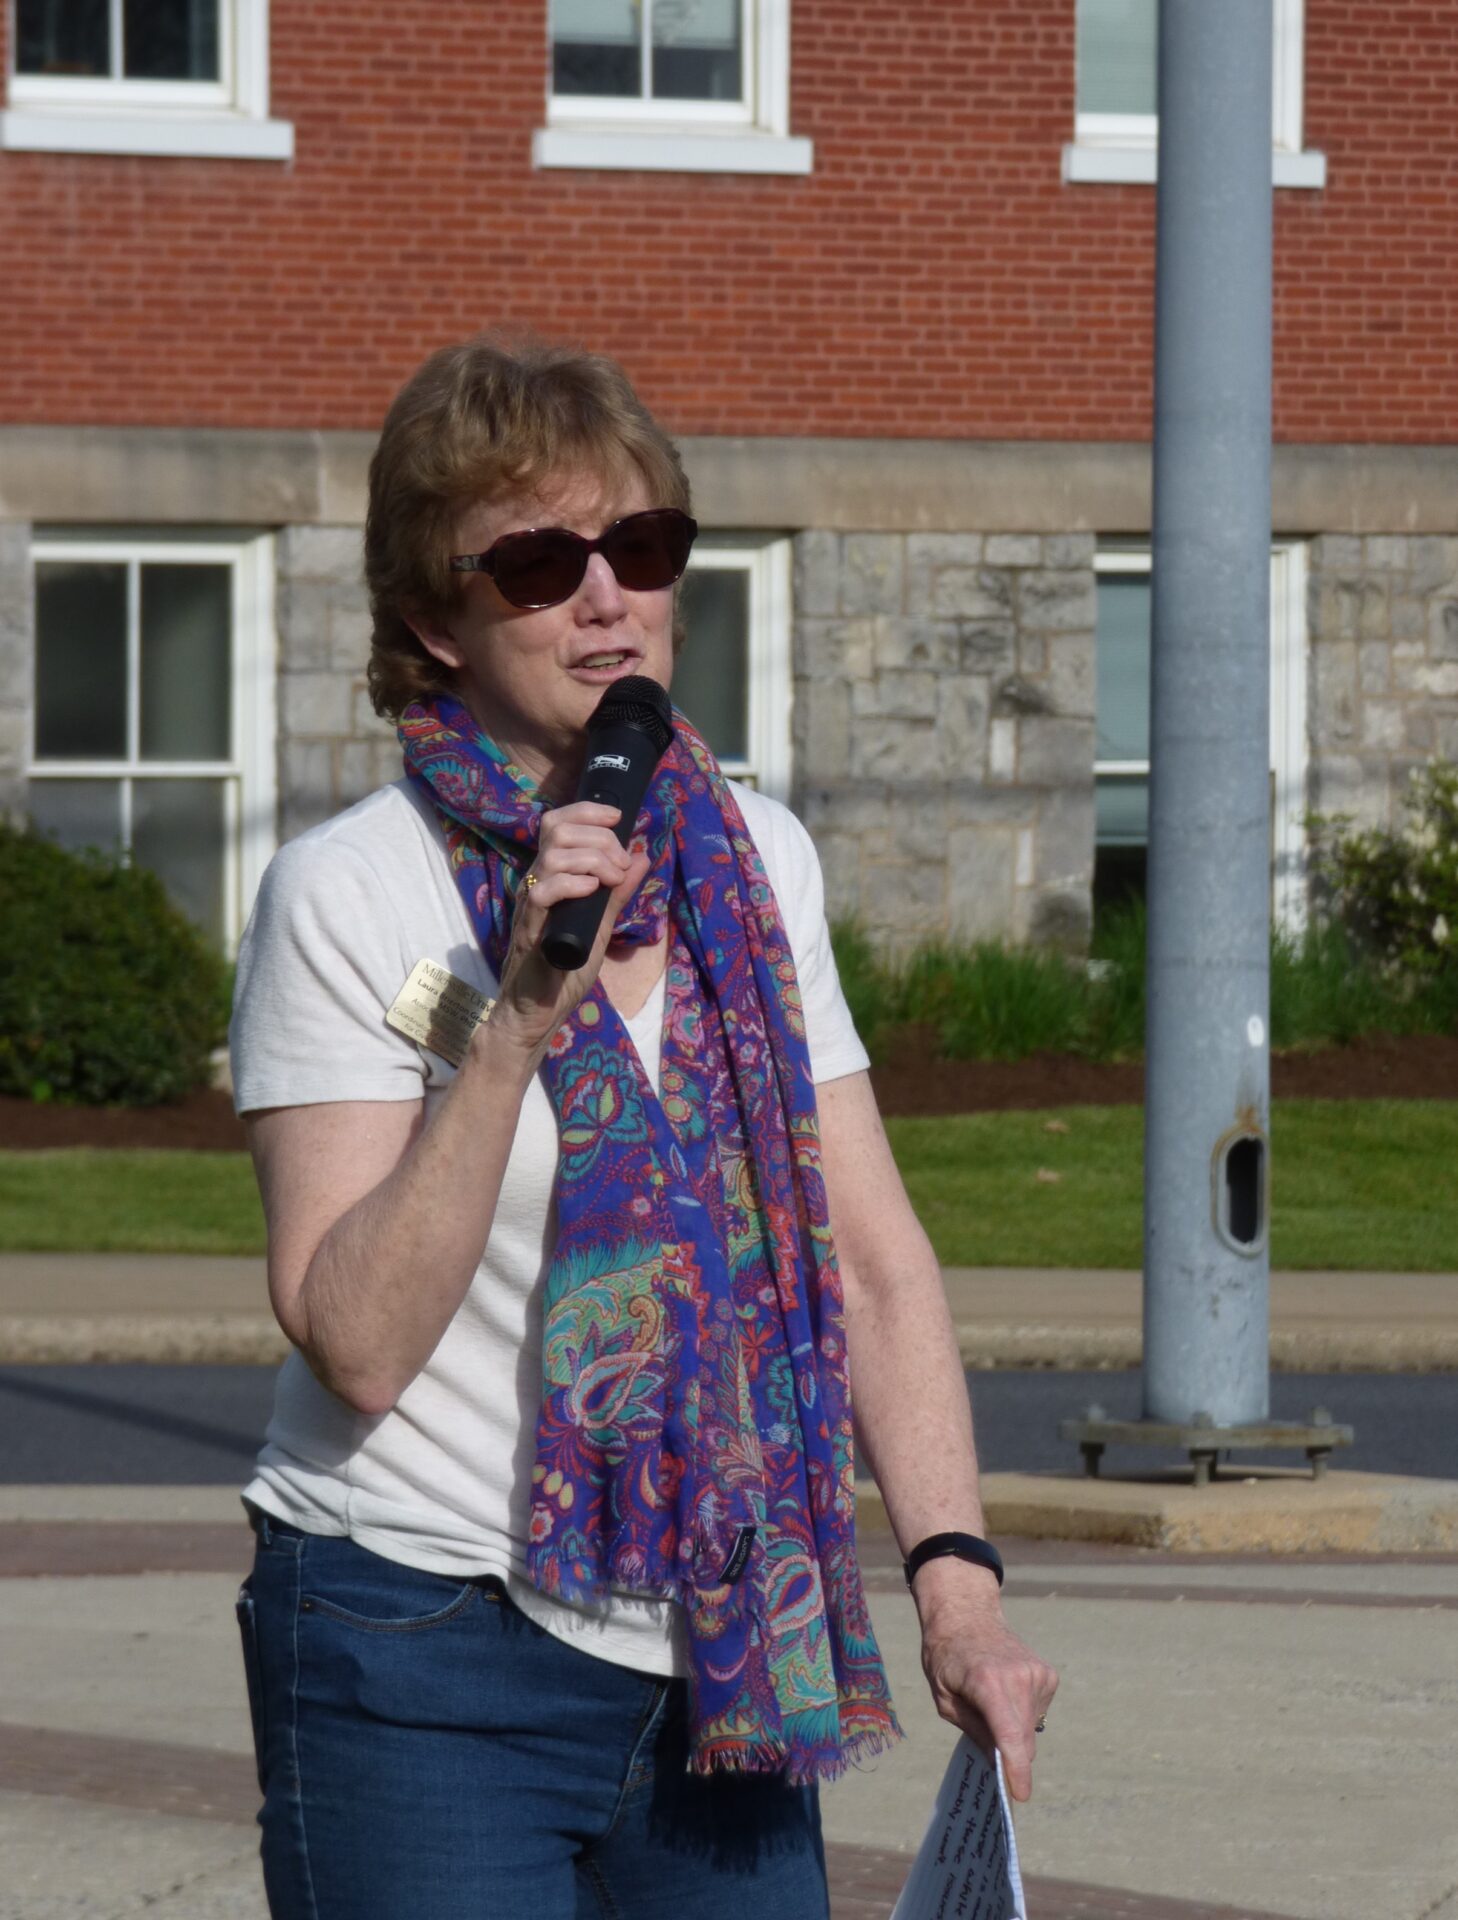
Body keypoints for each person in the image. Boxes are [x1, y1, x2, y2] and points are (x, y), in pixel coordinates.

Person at [230, 335, 1056, 1920]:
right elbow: (357, 1341)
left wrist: (957, 1590)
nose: (605, 597)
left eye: (642, 547)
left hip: (721, 1641)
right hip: (417, 1637)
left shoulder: (759, 862)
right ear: (434, 620)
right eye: (540, 563)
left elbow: (872, 1264)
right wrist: (518, 1019)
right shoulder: (350, 890)